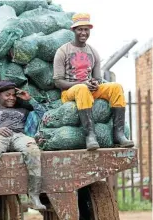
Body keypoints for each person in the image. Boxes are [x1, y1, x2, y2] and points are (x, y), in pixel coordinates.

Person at [53, 13, 134, 151]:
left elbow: (97, 78)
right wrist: (83, 84)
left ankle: (118, 134)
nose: (83, 32)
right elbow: (58, 82)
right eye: (80, 29)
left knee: (116, 87)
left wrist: (95, 83)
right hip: (69, 92)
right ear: (73, 30)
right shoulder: (63, 51)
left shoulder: (93, 52)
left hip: (87, 89)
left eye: (86, 29)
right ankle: (90, 135)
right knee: (82, 89)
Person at [0, 80, 47, 211]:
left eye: (13, 95)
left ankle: (34, 197)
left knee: (33, 150)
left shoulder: (23, 110)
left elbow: (44, 115)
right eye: (7, 95)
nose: (11, 98)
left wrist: (30, 99)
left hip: (20, 136)